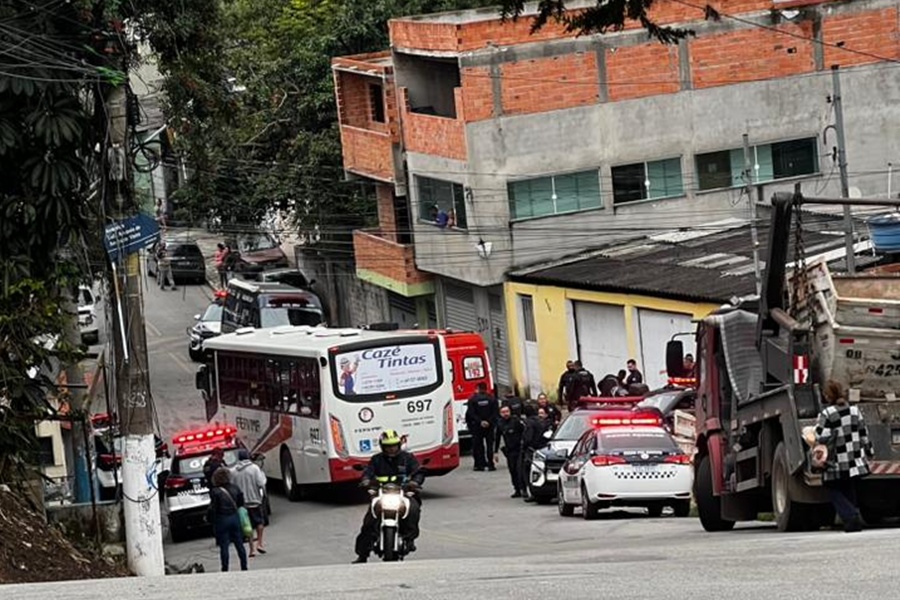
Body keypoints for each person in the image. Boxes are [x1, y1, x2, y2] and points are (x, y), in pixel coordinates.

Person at [353, 430, 424, 563]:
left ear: (399, 445)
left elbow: (418, 471)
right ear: (382, 446)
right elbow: (368, 472)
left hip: (403, 493)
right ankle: (363, 554)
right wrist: (366, 480)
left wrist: (415, 482)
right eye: (388, 446)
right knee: (370, 520)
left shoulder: (407, 458)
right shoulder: (376, 459)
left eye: (394, 445)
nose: (391, 449)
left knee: (413, 509)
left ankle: (409, 539)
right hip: (382, 493)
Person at [815, 379, 872, 532]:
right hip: (854, 458)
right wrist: (869, 451)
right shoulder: (855, 411)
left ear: (828, 396)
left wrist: (815, 431)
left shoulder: (828, 413)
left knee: (831, 486)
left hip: (837, 459)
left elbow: (822, 437)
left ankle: (851, 516)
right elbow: (863, 433)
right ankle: (853, 520)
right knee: (848, 486)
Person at [207, 467, 248, 572]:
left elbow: (214, 508)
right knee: (239, 543)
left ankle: (225, 567)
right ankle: (244, 566)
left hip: (222, 519)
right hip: (234, 517)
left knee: (224, 546)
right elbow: (241, 503)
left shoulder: (215, 491)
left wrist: (211, 519)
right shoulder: (235, 488)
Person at [229, 448, 268, 557]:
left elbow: (232, 486)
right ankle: (259, 543)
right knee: (259, 523)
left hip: (242, 503)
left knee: (247, 526)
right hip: (254, 500)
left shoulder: (233, 471)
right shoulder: (254, 468)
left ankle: (251, 549)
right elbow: (261, 483)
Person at [520, 405, 553, 502]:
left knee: (528, 471)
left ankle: (532, 492)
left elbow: (528, 438)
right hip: (542, 448)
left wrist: (524, 445)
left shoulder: (529, 423)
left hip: (531, 449)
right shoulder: (541, 422)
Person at [465, 382, 499, 471]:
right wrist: (489, 421)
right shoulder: (492, 399)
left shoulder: (472, 400)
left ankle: (480, 465)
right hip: (490, 426)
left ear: (478, 388)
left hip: (477, 426)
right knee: (490, 445)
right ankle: (491, 464)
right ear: (486, 388)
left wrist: (480, 421)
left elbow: (471, 413)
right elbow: (495, 413)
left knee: (479, 446)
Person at [495, 405, 525, 498]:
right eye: (503, 412)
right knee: (512, 470)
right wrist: (495, 452)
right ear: (500, 413)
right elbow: (497, 437)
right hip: (509, 450)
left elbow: (524, 432)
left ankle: (523, 488)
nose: (505, 414)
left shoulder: (516, 421)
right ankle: (517, 489)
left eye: (507, 411)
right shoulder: (500, 423)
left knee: (520, 469)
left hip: (519, 449)